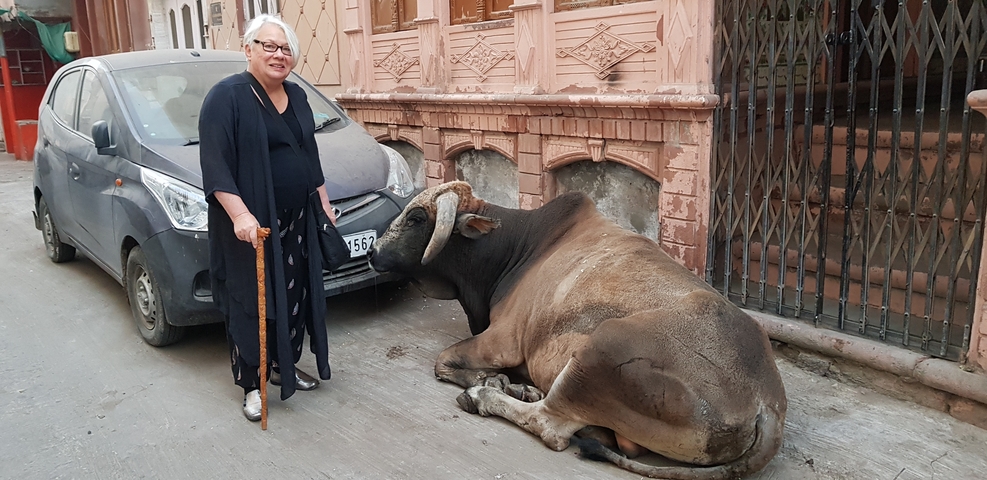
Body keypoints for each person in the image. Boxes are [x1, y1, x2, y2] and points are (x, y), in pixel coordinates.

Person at [198, 14, 336, 421]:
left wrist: (324, 204)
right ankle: (251, 385)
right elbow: (216, 165)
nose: (279, 54)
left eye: (286, 48)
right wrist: (239, 215)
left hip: (296, 220)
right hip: (250, 228)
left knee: (293, 296)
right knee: (252, 301)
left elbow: (309, 157)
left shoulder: (297, 95)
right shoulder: (227, 97)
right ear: (248, 49)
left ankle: (282, 366)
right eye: (269, 46)